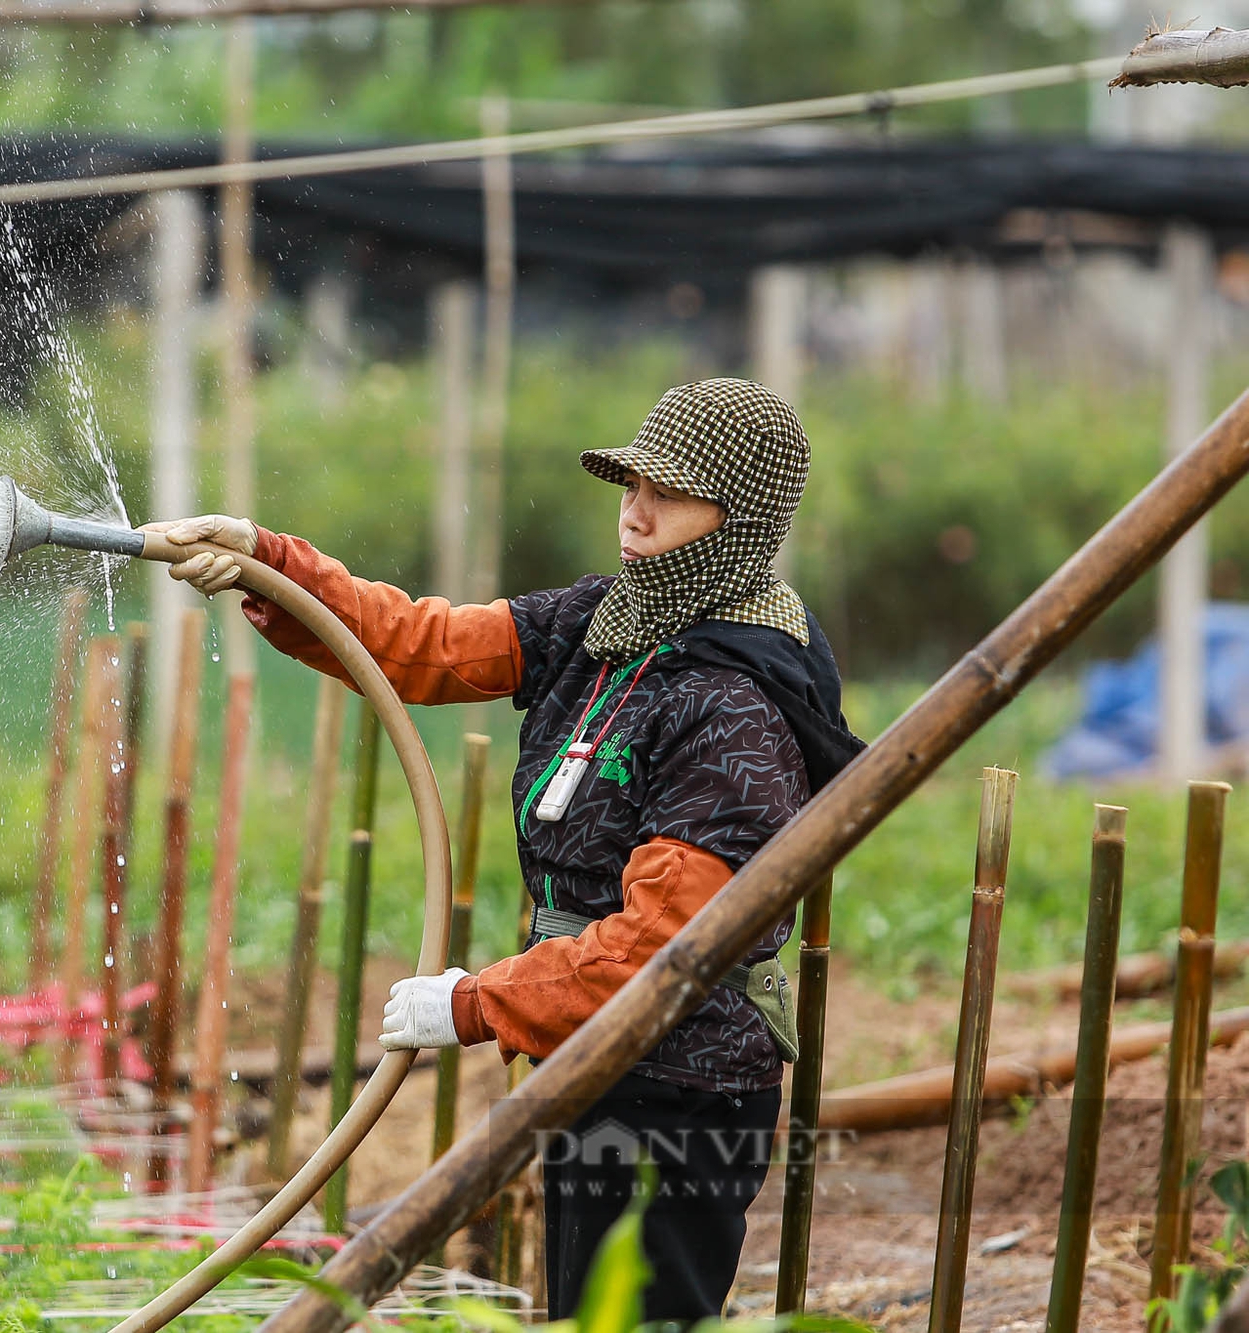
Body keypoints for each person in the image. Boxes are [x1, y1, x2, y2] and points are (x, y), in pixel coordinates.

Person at [148, 378, 865, 1325]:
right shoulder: (607, 619)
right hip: (594, 1057)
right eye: (631, 484)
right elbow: (420, 643)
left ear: (739, 518)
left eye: (671, 492)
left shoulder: (735, 708)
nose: (636, 513)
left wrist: (477, 1002)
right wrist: (267, 562)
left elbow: (663, 950)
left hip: (677, 1089)